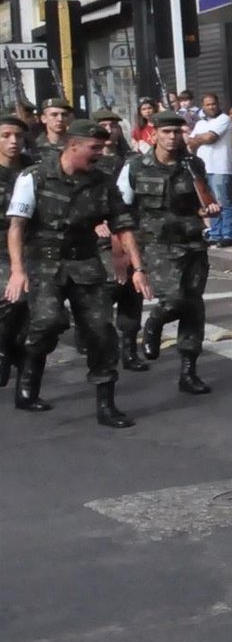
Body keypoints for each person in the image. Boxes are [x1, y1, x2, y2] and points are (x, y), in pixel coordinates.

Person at [4, 119, 150, 426]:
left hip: (86, 263)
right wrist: (17, 271)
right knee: (48, 321)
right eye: (94, 147)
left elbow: (123, 226)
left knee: (100, 331)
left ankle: (106, 405)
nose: (101, 152)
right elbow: (17, 226)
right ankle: (26, 379)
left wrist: (138, 268)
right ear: (73, 145)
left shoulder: (102, 182)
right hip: (44, 264)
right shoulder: (35, 176)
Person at [122, 111, 220, 394]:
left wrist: (209, 209)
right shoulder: (136, 167)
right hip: (157, 246)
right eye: (166, 132)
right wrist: (124, 252)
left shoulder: (193, 164)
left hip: (192, 243)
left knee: (193, 305)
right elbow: (122, 209)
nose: (173, 137)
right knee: (175, 300)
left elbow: (202, 201)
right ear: (154, 134)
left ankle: (188, 371)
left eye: (177, 132)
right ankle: (153, 323)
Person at [92, 107, 149, 373]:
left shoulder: (133, 159)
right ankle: (100, 344)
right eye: (103, 124)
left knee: (132, 293)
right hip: (100, 238)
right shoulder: (88, 163)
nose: (109, 129)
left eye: (113, 125)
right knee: (106, 291)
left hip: (132, 231)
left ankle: (129, 349)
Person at [0, 114, 30, 386]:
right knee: (11, 299)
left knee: (30, 313)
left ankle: (26, 384)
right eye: (5, 135)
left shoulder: (33, 169)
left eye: (18, 136)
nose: (13, 141)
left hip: (27, 245)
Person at [188, 93, 232, 246]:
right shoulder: (200, 123)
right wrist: (199, 139)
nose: (211, 107)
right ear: (203, 106)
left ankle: (228, 235)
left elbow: (210, 138)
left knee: (224, 202)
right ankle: (215, 234)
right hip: (203, 168)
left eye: (213, 104)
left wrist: (199, 139)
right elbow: (190, 143)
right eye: (208, 104)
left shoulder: (224, 119)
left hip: (220, 167)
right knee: (210, 203)